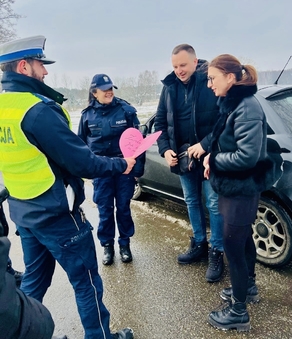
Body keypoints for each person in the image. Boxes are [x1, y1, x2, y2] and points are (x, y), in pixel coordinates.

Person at [0, 35, 135, 339]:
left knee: (35, 281)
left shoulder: (3, 106)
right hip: (57, 215)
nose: (45, 72)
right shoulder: (36, 111)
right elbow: (82, 162)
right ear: (24, 66)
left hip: (24, 212)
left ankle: (25, 333)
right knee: (86, 281)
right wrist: (120, 164)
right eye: (40, 65)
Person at [204, 54, 277, 331]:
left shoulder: (246, 107)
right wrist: (214, 156)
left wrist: (213, 160)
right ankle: (247, 288)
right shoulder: (233, 104)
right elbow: (226, 143)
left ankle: (238, 312)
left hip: (241, 188)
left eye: (213, 78)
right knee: (243, 239)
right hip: (233, 186)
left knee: (233, 246)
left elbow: (246, 157)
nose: (210, 84)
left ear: (230, 77)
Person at [154, 44, 224, 282]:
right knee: (192, 201)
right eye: (175, 66)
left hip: (208, 157)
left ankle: (217, 251)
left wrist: (205, 145)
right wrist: (165, 150)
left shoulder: (210, 81)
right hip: (183, 158)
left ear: (195, 62)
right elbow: (160, 124)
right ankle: (199, 244)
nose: (179, 71)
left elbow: (224, 121)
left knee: (213, 204)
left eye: (183, 65)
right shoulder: (169, 87)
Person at [78, 74, 145, 265]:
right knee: (105, 210)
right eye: (104, 89)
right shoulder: (87, 115)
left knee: (123, 208)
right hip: (101, 171)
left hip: (124, 169)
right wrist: (84, 171)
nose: (109, 92)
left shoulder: (126, 110)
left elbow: (139, 142)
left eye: (111, 88)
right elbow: (81, 146)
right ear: (94, 92)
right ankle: (107, 246)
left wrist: (137, 171)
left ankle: (125, 244)